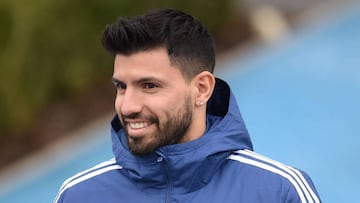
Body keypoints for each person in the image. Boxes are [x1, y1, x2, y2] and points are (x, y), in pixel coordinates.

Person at [54, 8, 321, 203]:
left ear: (201, 88)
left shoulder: (278, 191)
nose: (128, 106)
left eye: (149, 86)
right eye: (121, 87)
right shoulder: (78, 195)